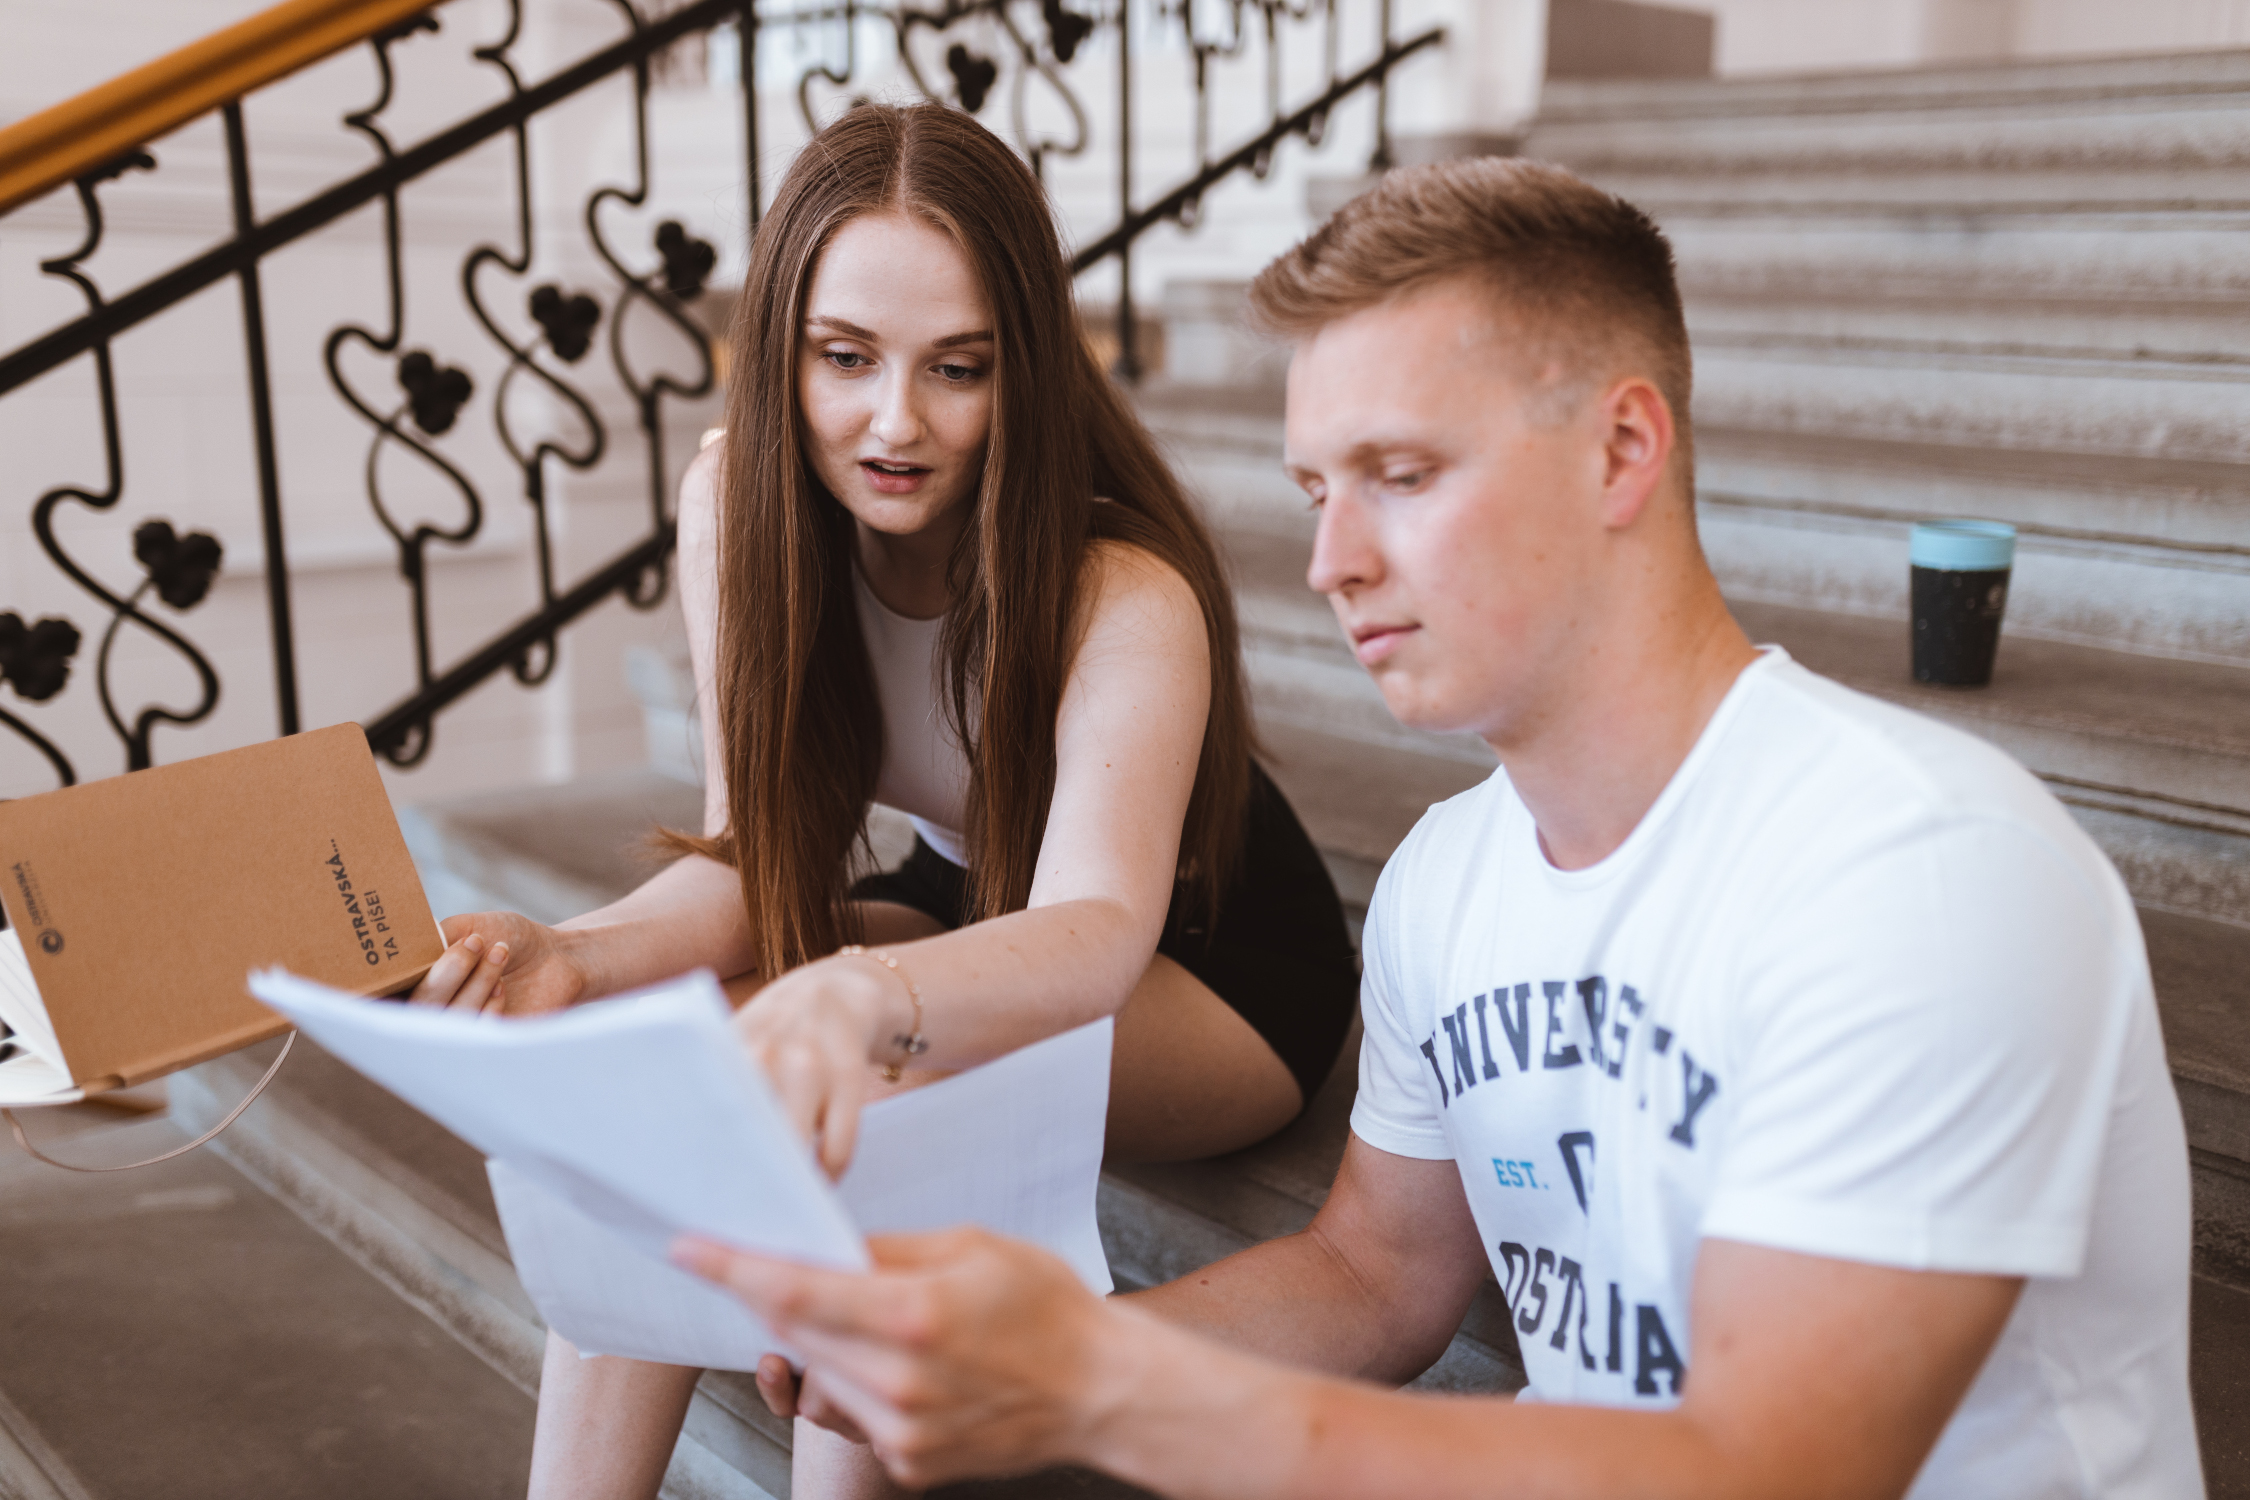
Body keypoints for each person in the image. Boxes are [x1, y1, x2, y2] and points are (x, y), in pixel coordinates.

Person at [674, 157, 2205, 1499]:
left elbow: (1775, 1469)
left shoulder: (1917, 877)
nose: (1333, 561)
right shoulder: (1443, 883)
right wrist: (1011, 1357)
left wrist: (1101, 1388)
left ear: (1622, 449)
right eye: (1313, 491)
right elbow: (1373, 1275)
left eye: (1399, 478)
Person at [408, 103, 1358, 1499]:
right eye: (844, 358)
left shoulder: (1122, 586)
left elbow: (1093, 928)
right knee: (668, 1051)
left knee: (868, 1081)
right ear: (781, 342)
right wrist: (577, 954)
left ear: (1022, 367)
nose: (895, 421)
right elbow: (756, 855)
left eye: (957, 369)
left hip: (1202, 966)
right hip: (957, 885)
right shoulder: (737, 500)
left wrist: (866, 1005)